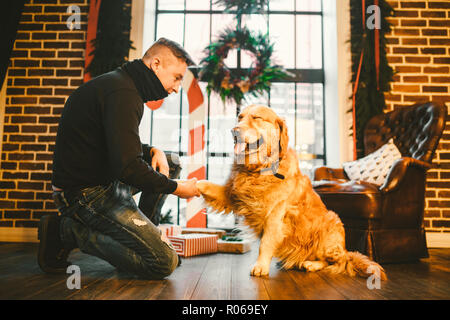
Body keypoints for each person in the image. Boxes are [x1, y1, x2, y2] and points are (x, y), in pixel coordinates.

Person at [37, 38, 200, 280]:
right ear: (156, 64)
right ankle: (66, 231)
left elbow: (114, 143)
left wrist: (153, 149)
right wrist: (177, 189)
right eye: (177, 77)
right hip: (84, 194)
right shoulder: (123, 93)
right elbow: (129, 168)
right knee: (163, 263)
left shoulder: (123, 85)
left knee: (170, 161)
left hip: (104, 181)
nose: (177, 87)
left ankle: (147, 233)